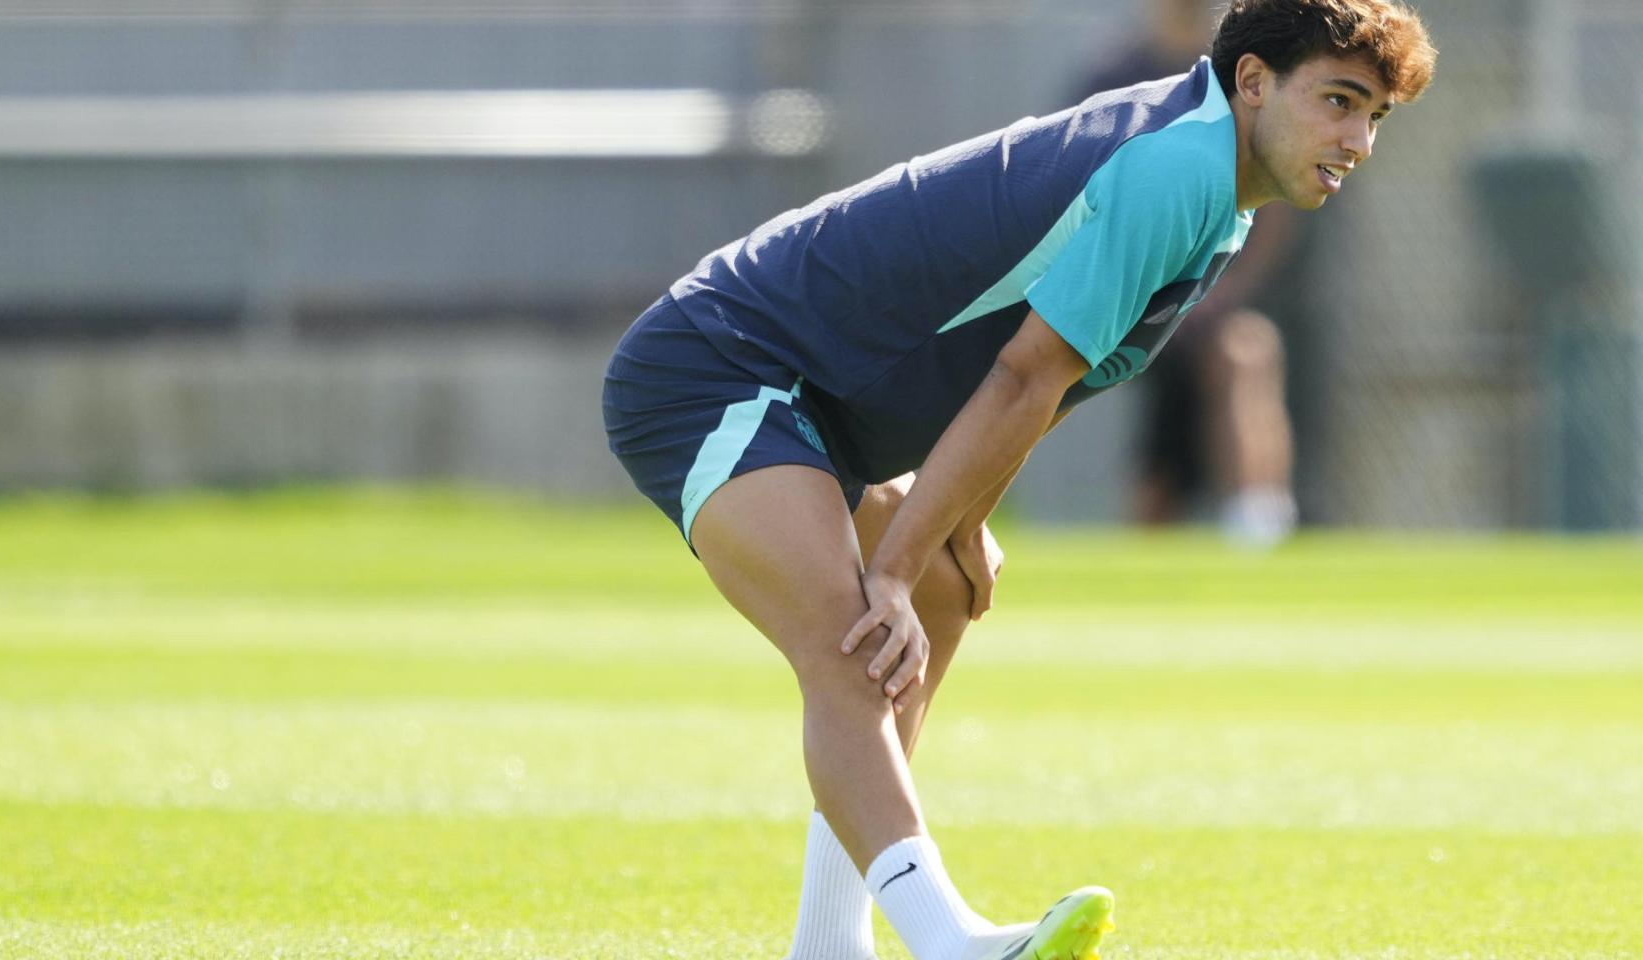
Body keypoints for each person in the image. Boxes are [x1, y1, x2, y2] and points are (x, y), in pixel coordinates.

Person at [602, 3, 1435, 958]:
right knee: (853, 638)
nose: (1357, 140)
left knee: (943, 594)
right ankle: (945, 938)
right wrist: (897, 561)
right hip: (715, 364)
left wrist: (949, 532)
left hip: (817, 395)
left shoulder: (1217, 185)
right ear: (1253, 81)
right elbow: (1024, 373)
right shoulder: (1176, 169)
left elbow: (1051, 382)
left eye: (1374, 116)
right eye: (1339, 101)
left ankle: (828, 945)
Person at [1072, 0, 1302, 546]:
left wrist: (1219, 291)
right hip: (1123, 297)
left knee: (1246, 351)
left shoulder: (1243, 77)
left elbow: (1275, 207)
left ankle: (1258, 531)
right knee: (1155, 481)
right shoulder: (1114, 78)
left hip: (1207, 302)